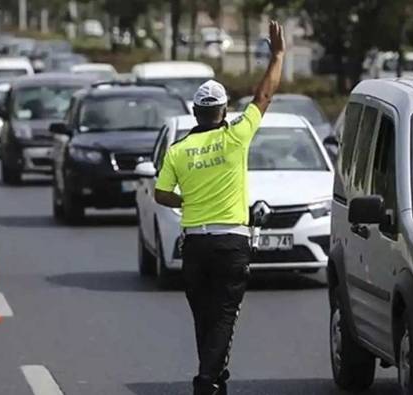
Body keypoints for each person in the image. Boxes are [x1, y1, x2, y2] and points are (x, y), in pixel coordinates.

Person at [154, 21, 286, 395]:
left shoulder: (178, 150)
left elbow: (161, 195)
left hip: (194, 245)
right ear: (224, 111)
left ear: (196, 113)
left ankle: (214, 379)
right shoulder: (235, 137)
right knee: (225, 315)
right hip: (231, 243)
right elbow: (263, 96)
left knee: (204, 317)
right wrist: (277, 56)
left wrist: (188, 200)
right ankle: (207, 380)